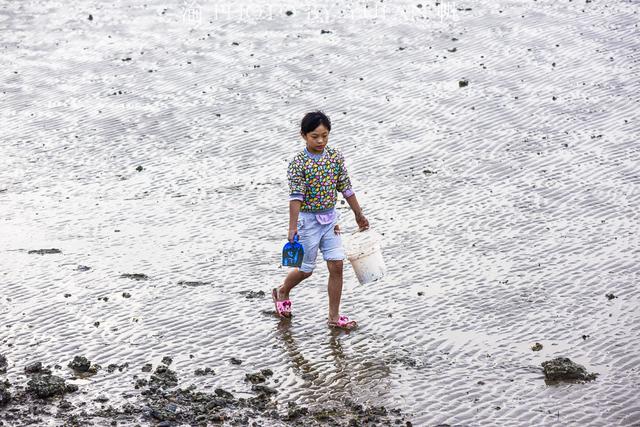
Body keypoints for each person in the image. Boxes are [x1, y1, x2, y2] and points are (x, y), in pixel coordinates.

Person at [272, 110, 369, 330]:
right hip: (307, 222)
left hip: (330, 220)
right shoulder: (298, 163)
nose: (320, 141)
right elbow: (296, 197)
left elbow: (346, 188)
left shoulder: (335, 157)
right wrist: (292, 227)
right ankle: (282, 291)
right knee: (306, 270)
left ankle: (334, 317)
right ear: (303, 135)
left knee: (337, 265)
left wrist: (358, 214)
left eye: (325, 135)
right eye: (315, 136)